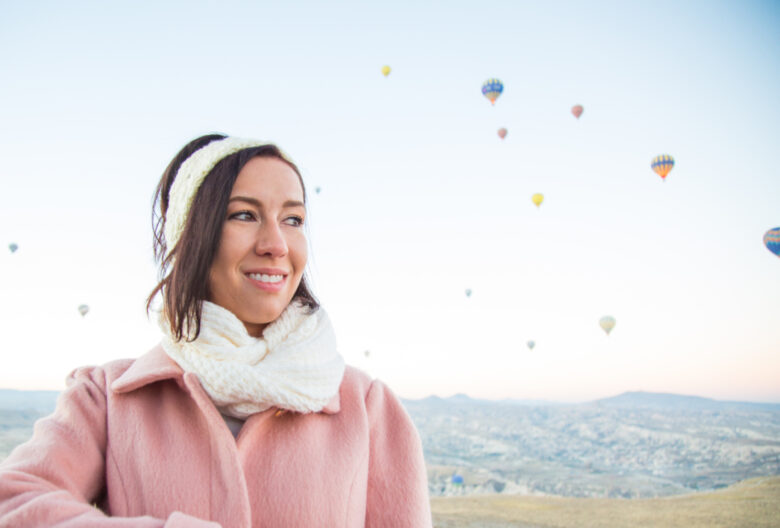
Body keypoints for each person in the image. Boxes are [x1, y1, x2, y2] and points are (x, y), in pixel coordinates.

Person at [0, 134, 433, 527]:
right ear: (190, 236)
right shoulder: (106, 399)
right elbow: (15, 503)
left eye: (294, 220)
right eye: (244, 215)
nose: (276, 244)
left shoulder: (368, 409)